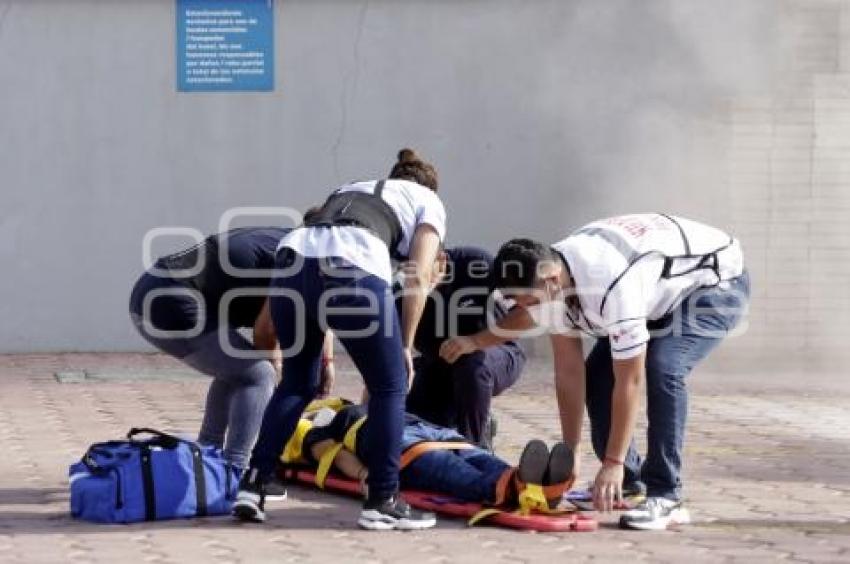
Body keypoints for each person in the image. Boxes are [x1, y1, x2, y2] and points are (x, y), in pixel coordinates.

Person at [439, 214, 750, 530]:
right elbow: (570, 372)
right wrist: (571, 450)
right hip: (657, 291)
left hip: (713, 285)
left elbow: (630, 380)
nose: (528, 309)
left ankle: (666, 494)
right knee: (598, 377)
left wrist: (612, 462)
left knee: (663, 368)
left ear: (551, 281)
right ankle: (628, 483)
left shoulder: (612, 287)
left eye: (529, 301)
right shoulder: (553, 277)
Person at [233, 149, 446, 530]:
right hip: (351, 266)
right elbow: (418, 274)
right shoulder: (428, 200)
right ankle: (382, 499)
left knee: (296, 382)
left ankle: (254, 483)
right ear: (429, 187)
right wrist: (405, 344)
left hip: (292, 263)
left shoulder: (352, 187)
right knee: (390, 385)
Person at [128, 227, 336, 472]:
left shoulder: (290, 245)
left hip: (153, 291)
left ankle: (207, 457)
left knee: (237, 371)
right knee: (259, 375)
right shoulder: (299, 260)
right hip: (170, 300)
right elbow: (265, 332)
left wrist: (327, 360)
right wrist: (277, 376)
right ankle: (235, 469)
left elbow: (315, 309)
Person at [290, 404, 574, 517]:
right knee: (453, 470)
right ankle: (521, 487)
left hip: (431, 431)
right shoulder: (313, 429)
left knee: (479, 458)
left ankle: (535, 482)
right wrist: (366, 473)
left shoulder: (351, 404)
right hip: (392, 441)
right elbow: (331, 454)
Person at [401, 246, 526, 449]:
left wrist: (475, 341)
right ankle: (475, 422)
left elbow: (525, 316)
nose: (417, 281)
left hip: (496, 353)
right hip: (440, 366)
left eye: (423, 273)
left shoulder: (478, 265)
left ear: (441, 260)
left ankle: (475, 449)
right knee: (403, 407)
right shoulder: (401, 294)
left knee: (471, 363)